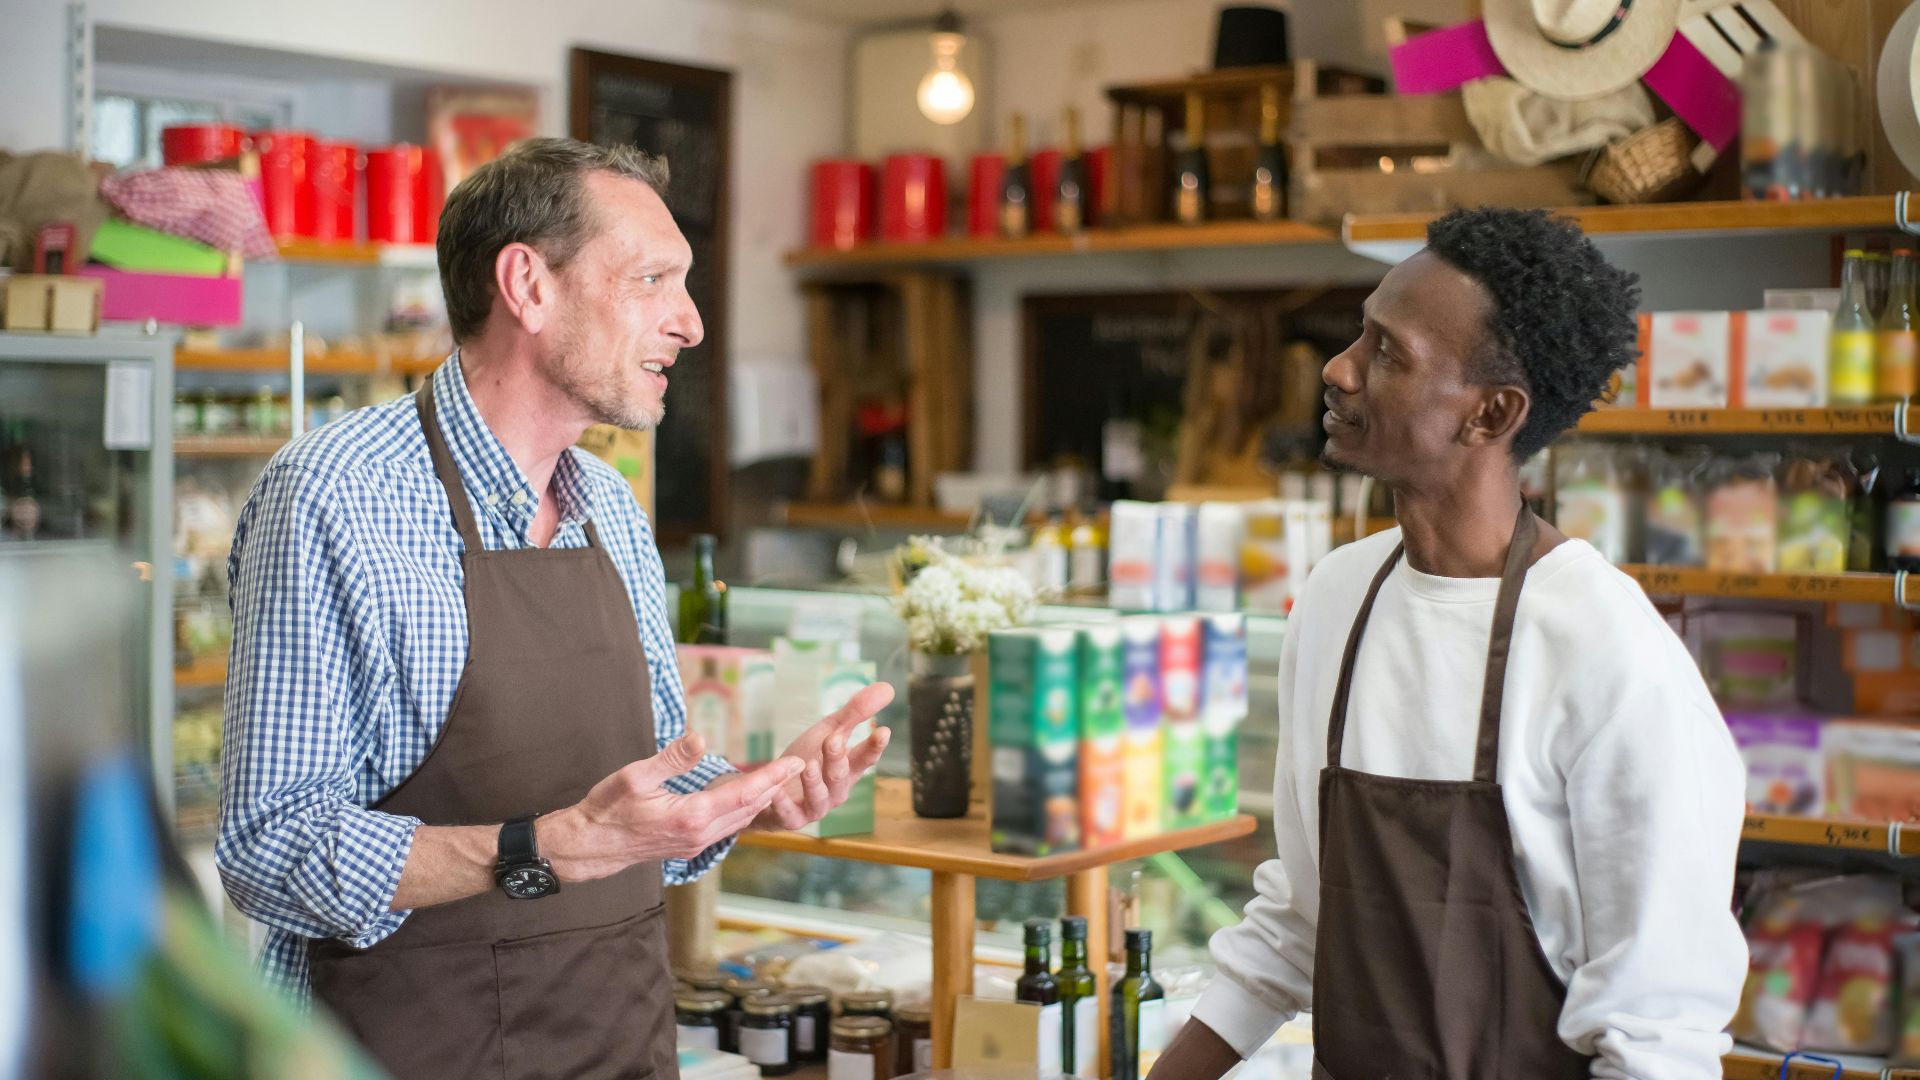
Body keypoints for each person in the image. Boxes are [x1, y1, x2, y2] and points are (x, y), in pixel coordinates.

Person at [215, 137, 893, 1079]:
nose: (691, 324)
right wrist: (545, 848)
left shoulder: (609, 507)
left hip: (619, 1046)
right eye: (653, 279)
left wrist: (754, 798)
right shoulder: (334, 497)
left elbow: (642, 800)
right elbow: (269, 849)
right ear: (527, 286)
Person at [1151, 208, 1746, 1080]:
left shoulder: (1608, 653)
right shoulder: (1337, 600)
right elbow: (1298, 925)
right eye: (1360, 334)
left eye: (1387, 353)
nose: (1338, 367)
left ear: (1491, 413)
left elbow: (1656, 1039)